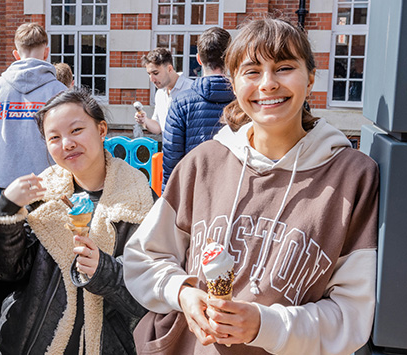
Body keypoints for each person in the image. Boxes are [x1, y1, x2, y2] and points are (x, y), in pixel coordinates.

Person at [124, 18, 378, 355]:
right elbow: (143, 257)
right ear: (234, 82)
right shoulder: (203, 163)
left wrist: (264, 325)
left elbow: (352, 315)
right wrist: (182, 292)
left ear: (311, 78)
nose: (268, 84)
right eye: (252, 71)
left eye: (284, 67)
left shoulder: (353, 177)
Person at [0, 87, 154, 354]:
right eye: (54, 137)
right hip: (37, 343)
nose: (67, 144)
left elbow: (152, 294)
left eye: (76, 131)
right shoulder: (39, 199)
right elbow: (5, 271)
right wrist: (5, 210)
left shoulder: (140, 199)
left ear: (102, 129)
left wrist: (104, 271)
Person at [0, 22, 68, 189]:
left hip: (7, 185)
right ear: (46, 52)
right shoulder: (60, 92)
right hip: (48, 183)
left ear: (16, 54)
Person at [162, 27, 235, 190]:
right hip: (234, 191)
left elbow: (171, 162)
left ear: (199, 59)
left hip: (195, 191)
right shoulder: (245, 101)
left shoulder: (181, 101)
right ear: (230, 58)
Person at [135, 48, 193, 135]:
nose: (151, 79)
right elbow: (158, 127)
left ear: (169, 69)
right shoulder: (160, 94)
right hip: (167, 147)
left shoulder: (191, 89)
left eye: (155, 73)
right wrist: (145, 120)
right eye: (149, 74)